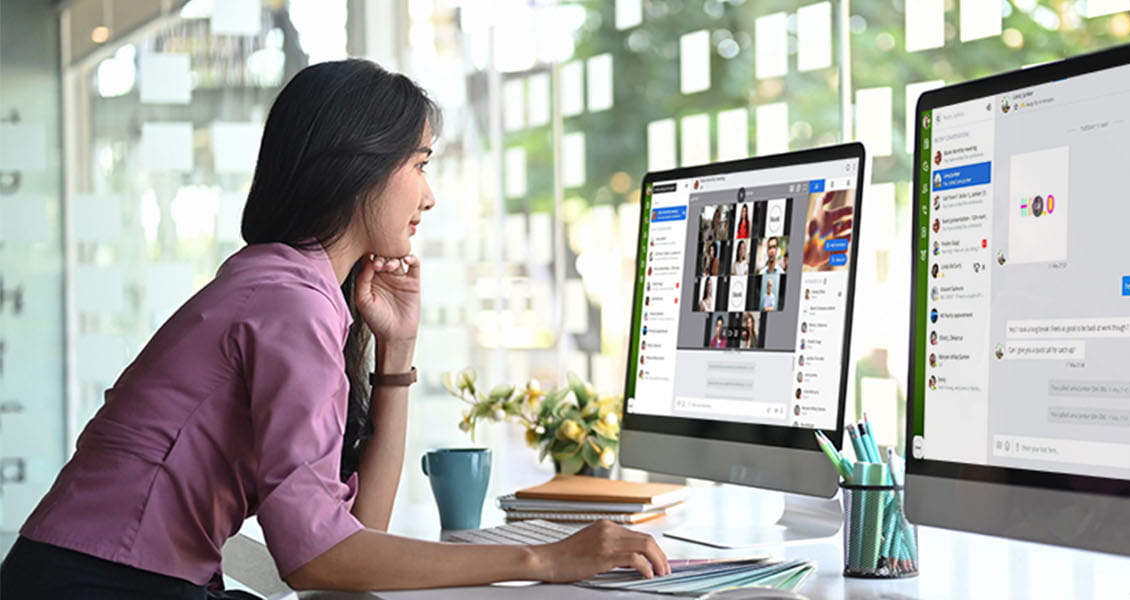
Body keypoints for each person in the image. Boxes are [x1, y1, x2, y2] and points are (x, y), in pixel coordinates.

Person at [0, 60, 668, 598]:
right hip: (100, 584)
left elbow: (353, 534)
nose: (428, 195)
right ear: (362, 164)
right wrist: (546, 561)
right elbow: (317, 560)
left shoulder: (288, 285)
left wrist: (397, 352)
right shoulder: (289, 300)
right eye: (420, 162)